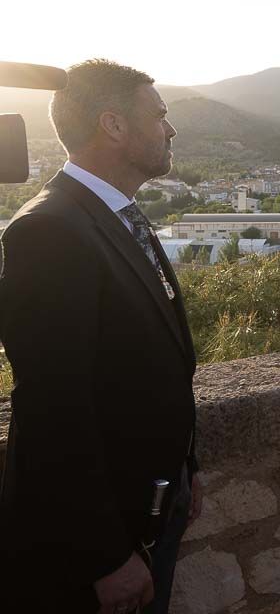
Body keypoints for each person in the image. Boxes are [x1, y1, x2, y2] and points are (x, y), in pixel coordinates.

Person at [0, 59, 202, 613]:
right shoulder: (49, 232)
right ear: (113, 126)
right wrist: (104, 556)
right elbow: (52, 410)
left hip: (152, 509)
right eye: (159, 115)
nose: (171, 128)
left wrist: (185, 471)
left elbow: (160, 356)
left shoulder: (116, 214)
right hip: (100, 549)